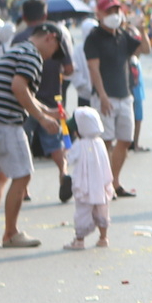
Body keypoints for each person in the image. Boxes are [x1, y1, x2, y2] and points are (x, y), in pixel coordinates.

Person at [0, 20, 65, 249]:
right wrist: (42, 118)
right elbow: (19, 87)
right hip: (5, 121)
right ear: (50, 38)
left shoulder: (17, 50)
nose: (51, 56)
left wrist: (47, 111)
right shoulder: (32, 54)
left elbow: (20, 91)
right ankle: (11, 233)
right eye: (55, 50)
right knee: (23, 175)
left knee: (0, 175)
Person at [11, 0, 72, 204]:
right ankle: (63, 173)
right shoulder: (56, 36)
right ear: (45, 15)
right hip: (52, 97)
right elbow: (70, 68)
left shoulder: (18, 38)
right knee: (56, 143)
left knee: (24, 142)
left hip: (24, 99)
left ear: (25, 17)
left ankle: (24, 188)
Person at [82, 0, 141, 198]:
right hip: (105, 97)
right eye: (109, 11)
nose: (114, 15)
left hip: (125, 95)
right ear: (99, 14)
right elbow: (93, 68)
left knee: (125, 140)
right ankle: (104, 184)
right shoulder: (94, 38)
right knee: (106, 141)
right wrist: (103, 95)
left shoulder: (123, 35)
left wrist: (137, 28)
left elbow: (144, 49)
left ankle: (115, 182)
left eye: (117, 11)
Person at [64, 104, 114, 250]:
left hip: (85, 186)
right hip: (100, 186)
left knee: (82, 213)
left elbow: (70, 158)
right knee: (102, 211)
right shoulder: (100, 143)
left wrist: (65, 151)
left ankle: (79, 240)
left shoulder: (79, 145)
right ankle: (103, 238)